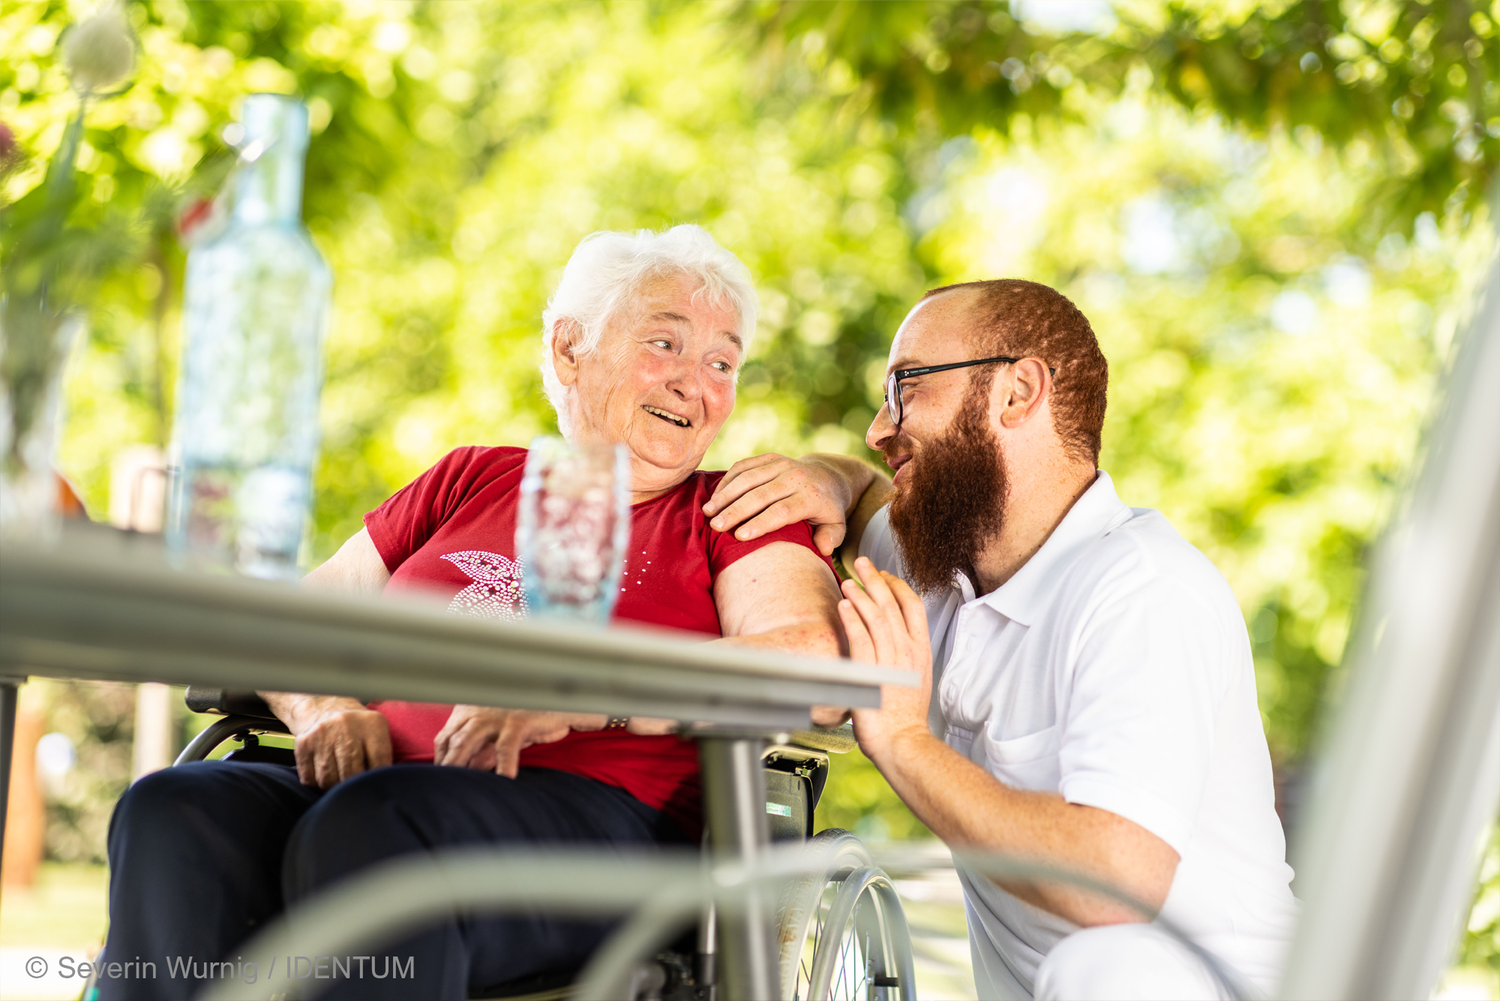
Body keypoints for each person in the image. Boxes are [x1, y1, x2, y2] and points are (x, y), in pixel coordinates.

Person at [99, 225, 845, 1001]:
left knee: (373, 828)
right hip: (374, 786)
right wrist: (321, 708)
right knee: (174, 808)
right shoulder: (472, 479)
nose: (697, 383)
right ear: (570, 349)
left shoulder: (730, 513)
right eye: (666, 343)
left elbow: (810, 658)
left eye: (723, 362)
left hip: (600, 829)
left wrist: (577, 692)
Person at [706, 279, 1298, 999]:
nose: (879, 428)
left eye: (905, 388)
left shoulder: (1145, 589)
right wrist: (829, 478)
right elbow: (861, 489)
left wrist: (904, 740)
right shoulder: (943, 567)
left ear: (1017, 393)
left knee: (1111, 963)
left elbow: (1114, 882)